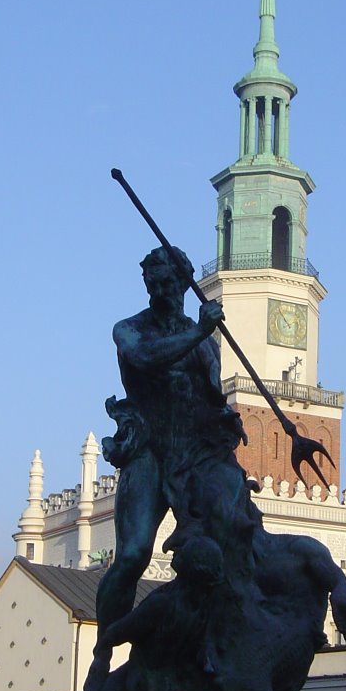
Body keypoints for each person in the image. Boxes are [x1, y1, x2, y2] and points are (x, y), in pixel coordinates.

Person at [94, 245, 249, 635]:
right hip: (147, 448)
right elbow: (144, 358)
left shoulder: (206, 345)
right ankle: (103, 650)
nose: (159, 291)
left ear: (183, 284)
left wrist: (228, 424)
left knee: (224, 542)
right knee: (131, 556)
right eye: (153, 284)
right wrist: (199, 332)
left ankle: (209, 638)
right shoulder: (129, 329)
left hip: (191, 453)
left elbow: (213, 398)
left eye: (167, 283)